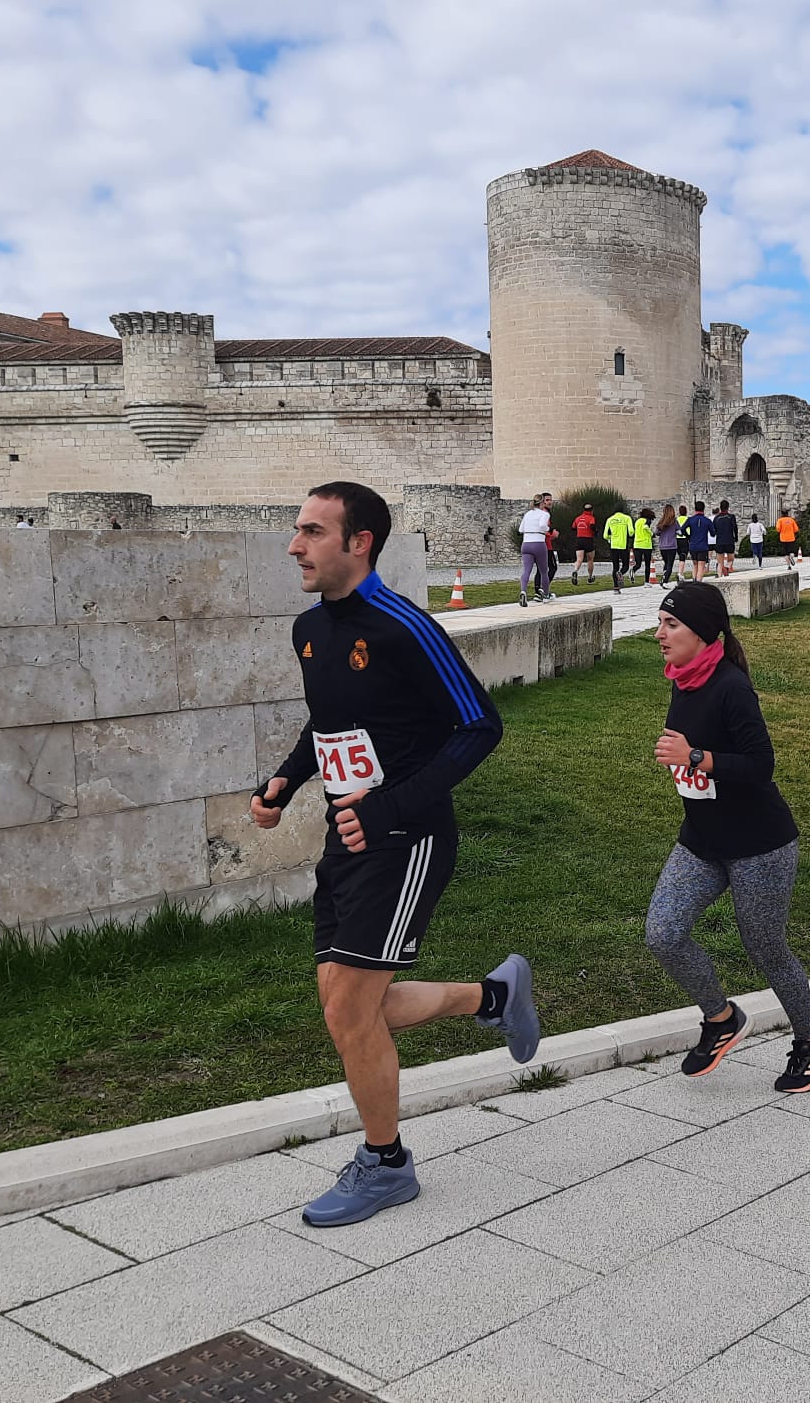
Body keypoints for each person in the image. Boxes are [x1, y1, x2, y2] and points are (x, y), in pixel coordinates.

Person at [253, 481, 538, 1226]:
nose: (295, 546)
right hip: (348, 836)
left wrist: (390, 809)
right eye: (297, 530)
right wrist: (285, 780)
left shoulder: (405, 627)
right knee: (350, 1006)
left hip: (408, 838)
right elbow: (331, 727)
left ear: (359, 542)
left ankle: (385, 1164)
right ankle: (495, 997)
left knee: (350, 1009)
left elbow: (480, 726)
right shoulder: (309, 631)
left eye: (312, 532)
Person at [646, 583, 810, 1093]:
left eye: (671, 625)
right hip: (702, 841)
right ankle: (721, 1017)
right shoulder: (682, 680)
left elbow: (760, 764)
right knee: (663, 934)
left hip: (759, 845)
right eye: (660, 623)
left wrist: (696, 758)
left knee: (765, 947)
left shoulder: (730, 686)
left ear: (704, 633)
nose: (659, 634)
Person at [516, 493, 553, 608]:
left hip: (526, 543)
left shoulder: (528, 514)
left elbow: (520, 529)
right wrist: (549, 529)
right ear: (542, 503)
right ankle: (546, 594)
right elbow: (542, 526)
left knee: (526, 570)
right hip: (538, 543)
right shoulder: (544, 514)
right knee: (543, 571)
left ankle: (523, 591)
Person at [603, 503, 634, 594]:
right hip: (623, 545)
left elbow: (605, 535)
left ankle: (616, 588)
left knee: (615, 566)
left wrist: (610, 538)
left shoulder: (610, 519)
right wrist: (629, 535)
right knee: (625, 565)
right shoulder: (627, 518)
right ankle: (621, 573)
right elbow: (631, 532)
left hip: (613, 545)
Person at [685, 501, 714, 582]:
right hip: (703, 546)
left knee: (695, 565)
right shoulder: (707, 521)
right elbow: (713, 533)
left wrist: (688, 536)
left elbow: (682, 529)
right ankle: (698, 583)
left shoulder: (690, 520)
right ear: (703, 509)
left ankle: (694, 581)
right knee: (701, 566)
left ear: (695, 508)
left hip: (693, 545)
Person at [572, 503, 598, 585]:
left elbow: (573, 528)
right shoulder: (591, 518)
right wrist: (595, 532)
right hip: (588, 540)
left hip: (579, 539)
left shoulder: (578, 518)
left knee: (579, 559)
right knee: (590, 560)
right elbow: (592, 526)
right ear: (592, 510)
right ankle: (590, 577)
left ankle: (575, 571)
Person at [713, 499, 739, 577]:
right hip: (729, 540)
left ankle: (719, 574)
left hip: (719, 541)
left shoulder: (716, 518)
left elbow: (714, 530)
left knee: (720, 562)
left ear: (720, 507)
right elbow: (735, 528)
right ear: (728, 507)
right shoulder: (731, 517)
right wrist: (736, 537)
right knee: (731, 559)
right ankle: (727, 567)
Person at [656, 504, 680, 585]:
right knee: (670, 564)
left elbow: (657, 533)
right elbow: (679, 532)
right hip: (672, 546)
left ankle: (664, 576)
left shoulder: (661, 522)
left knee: (666, 563)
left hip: (663, 546)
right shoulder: (674, 522)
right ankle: (665, 580)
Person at [633, 509, 656, 583]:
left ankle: (633, 570)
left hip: (637, 544)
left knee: (638, 564)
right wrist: (652, 534)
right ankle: (646, 582)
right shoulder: (647, 520)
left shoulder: (637, 521)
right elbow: (645, 527)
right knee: (647, 565)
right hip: (646, 545)